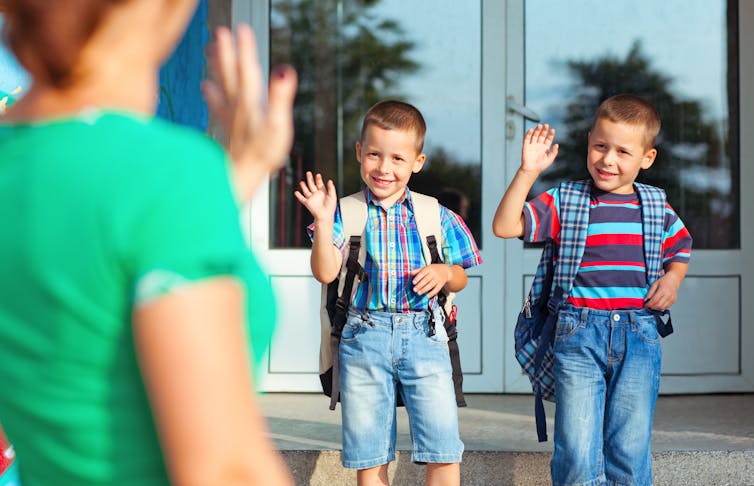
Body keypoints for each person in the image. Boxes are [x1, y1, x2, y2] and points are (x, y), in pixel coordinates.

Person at [0, 1, 297, 484]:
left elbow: (87, 258)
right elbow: (225, 470)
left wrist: (234, 177)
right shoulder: (166, 177)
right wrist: (192, 189)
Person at [493, 94, 692, 485]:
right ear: (588, 142)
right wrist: (527, 172)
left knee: (630, 447)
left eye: (622, 151)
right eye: (600, 146)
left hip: (639, 337)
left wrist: (673, 280)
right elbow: (505, 226)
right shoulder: (565, 200)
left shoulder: (655, 205)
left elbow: (681, 248)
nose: (608, 159)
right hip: (578, 334)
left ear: (646, 158)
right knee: (577, 447)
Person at [295, 100, 481, 486]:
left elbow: (461, 276)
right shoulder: (345, 212)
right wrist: (324, 220)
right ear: (360, 152)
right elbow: (325, 272)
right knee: (371, 456)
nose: (384, 168)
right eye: (375, 154)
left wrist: (445, 272)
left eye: (398, 158)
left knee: (442, 449)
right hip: (364, 338)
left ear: (417, 161)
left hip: (426, 337)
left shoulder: (435, 214)